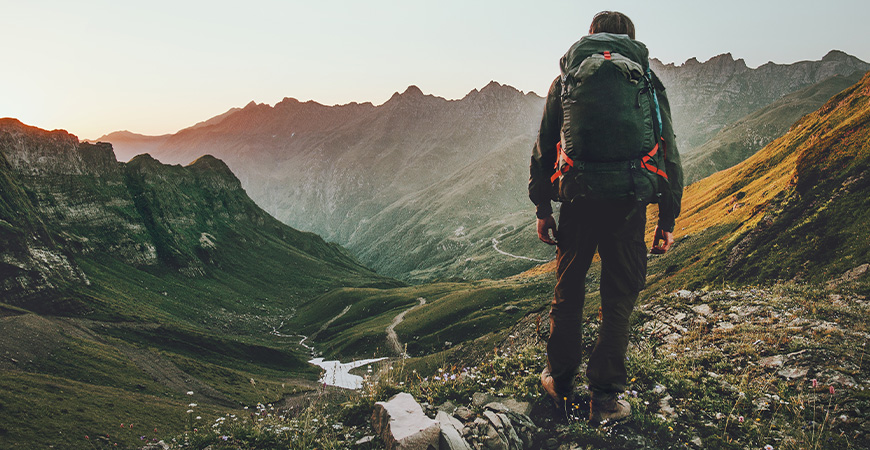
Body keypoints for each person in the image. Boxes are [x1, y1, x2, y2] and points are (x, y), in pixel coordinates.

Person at [528, 11, 683, 424]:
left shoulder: (567, 79)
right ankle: (606, 399)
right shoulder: (647, 81)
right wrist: (668, 218)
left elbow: (544, 148)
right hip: (628, 205)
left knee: (569, 294)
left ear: (591, 37)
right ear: (631, 39)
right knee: (618, 299)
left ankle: (560, 383)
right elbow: (668, 150)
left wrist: (543, 209)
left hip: (577, 201)